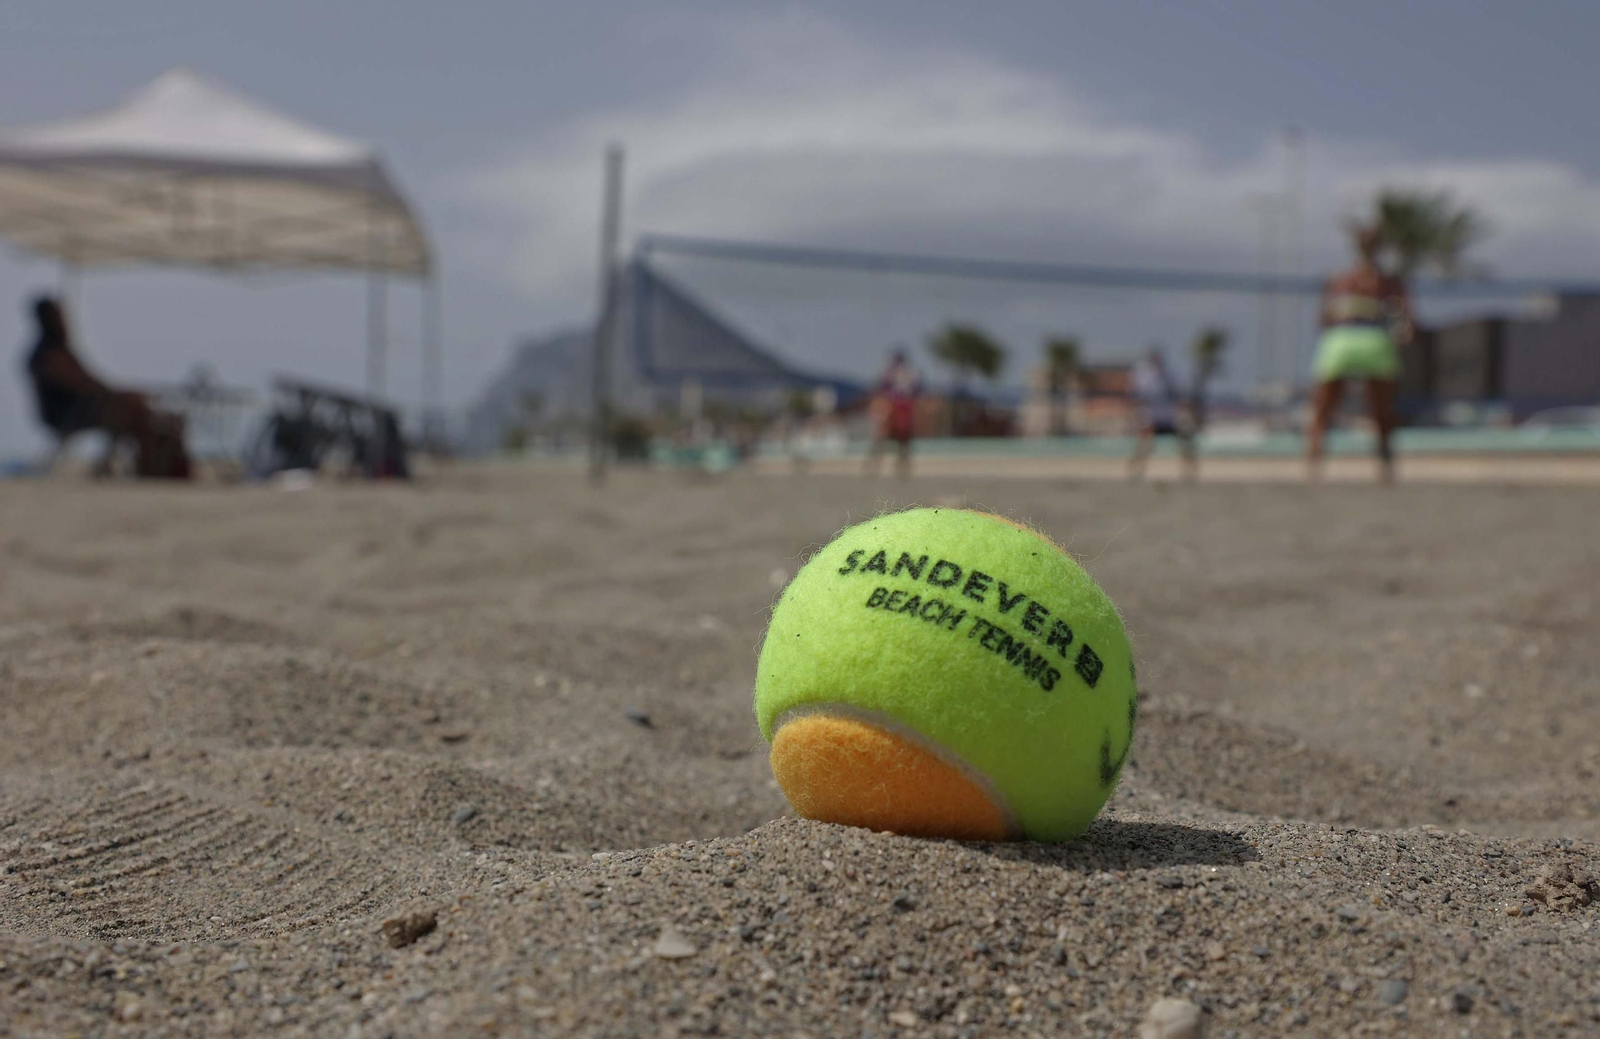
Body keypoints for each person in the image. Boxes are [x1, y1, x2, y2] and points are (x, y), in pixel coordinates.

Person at [22, 295, 191, 478]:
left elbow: (90, 382)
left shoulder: (59, 352)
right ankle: (150, 466)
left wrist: (124, 394)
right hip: (70, 414)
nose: (66, 322)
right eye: (60, 317)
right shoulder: (48, 356)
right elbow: (83, 385)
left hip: (83, 409)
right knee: (133, 410)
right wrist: (124, 395)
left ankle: (158, 464)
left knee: (142, 414)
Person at [1307, 225, 1409, 483]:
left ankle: (1314, 457)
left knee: (1324, 405)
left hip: (1343, 339)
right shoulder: (1388, 282)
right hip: (1373, 340)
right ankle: (1384, 458)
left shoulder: (1341, 279)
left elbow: (1324, 317)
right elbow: (1405, 319)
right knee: (1381, 407)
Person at [1127, 346, 1196, 481]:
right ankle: (1136, 471)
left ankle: (1189, 472)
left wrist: (1185, 411)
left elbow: (1179, 396)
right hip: (1151, 418)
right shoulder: (1143, 376)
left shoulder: (1170, 375)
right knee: (1144, 444)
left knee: (1184, 441)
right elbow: (1136, 396)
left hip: (1169, 418)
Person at [864, 348, 921, 477]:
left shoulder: (910, 372)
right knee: (881, 426)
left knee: (906, 431)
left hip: (904, 404)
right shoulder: (890, 371)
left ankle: (902, 463)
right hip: (893, 402)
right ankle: (874, 462)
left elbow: (916, 388)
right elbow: (882, 385)